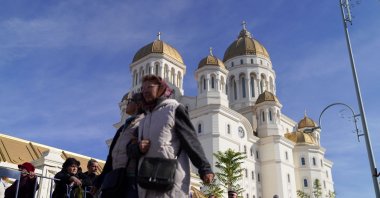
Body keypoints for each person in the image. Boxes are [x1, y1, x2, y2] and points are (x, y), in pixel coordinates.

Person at [137, 75, 214, 197]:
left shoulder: (174, 108)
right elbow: (134, 150)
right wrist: (138, 147)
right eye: (143, 88)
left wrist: (204, 168)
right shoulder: (144, 118)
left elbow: (190, 139)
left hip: (170, 178)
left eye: (150, 87)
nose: (145, 91)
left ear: (161, 88)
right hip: (147, 180)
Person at [92, 92, 145, 198]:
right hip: (115, 177)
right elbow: (110, 158)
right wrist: (99, 182)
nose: (127, 104)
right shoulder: (122, 128)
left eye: (130, 102)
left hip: (132, 177)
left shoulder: (144, 123)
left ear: (138, 105)